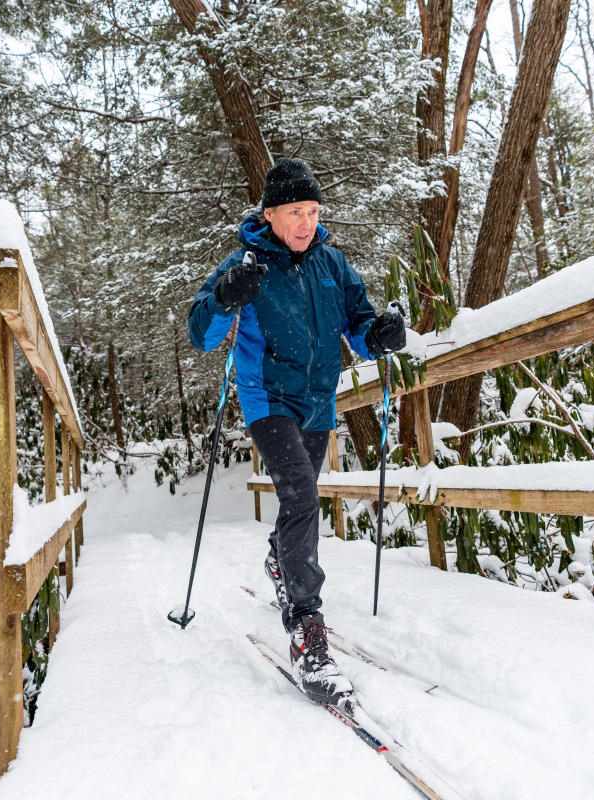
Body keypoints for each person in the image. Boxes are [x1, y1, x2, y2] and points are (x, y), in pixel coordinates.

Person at [187, 158, 406, 705]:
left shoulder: (332, 263)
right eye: (295, 212)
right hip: (267, 399)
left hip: (317, 403)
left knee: (299, 496)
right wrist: (224, 297)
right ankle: (307, 631)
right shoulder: (247, 264)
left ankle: (279, 557)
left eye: (312, 211)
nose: (306, 222)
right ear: (270, 214)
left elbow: (359, 322)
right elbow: (201, 333)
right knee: (301, 491)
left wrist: (379, 333)